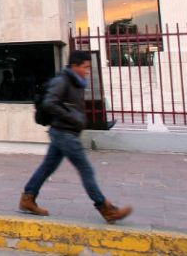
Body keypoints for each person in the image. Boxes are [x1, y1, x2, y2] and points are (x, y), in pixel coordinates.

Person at [19, 51, 132, 223]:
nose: (87, 71)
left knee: (47, 167)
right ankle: (106, 209)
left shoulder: (75, 82)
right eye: (85, 67)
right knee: (86, 169)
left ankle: (28, 198)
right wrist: (72, 117)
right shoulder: (62, 81)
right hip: (64, 133)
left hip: (64, 132)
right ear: (74, 66)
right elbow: (49, 103)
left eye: (89, 68)